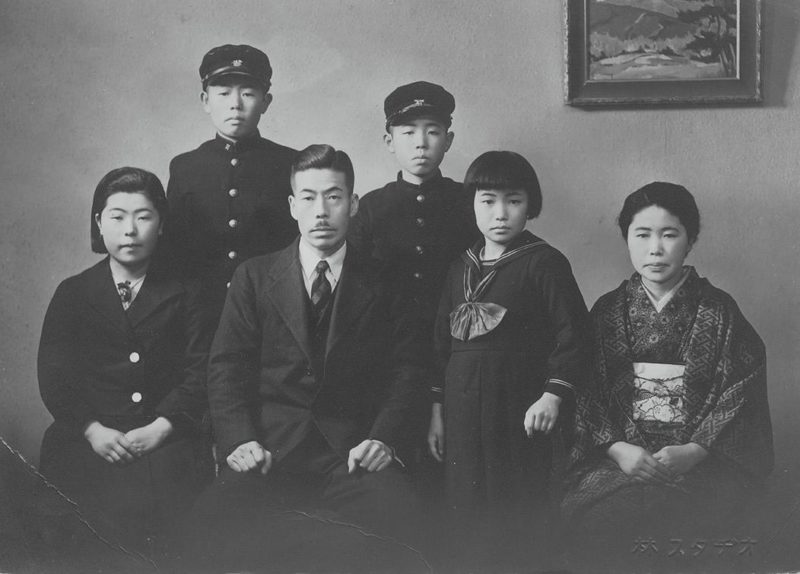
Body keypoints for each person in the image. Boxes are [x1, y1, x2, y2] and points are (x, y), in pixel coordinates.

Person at [185, 145, 428, 573]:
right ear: (292, 206)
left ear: (352, 204)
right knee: (207, 522)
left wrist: (383, 438)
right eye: (309, 198)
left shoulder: (385, 279)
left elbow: (407, 371)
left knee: (406, 517)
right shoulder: (254, 276)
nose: (321, 211)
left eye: (334, 197)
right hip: (270, 451)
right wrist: (239, 440)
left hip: (351, 454)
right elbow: (226, 368)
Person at [561, 182, 774, 561]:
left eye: (669, 235)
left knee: (702, 519)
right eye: (642, 235)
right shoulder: (607, 312)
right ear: (627, 238)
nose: (655, 249)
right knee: (601, 522)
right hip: (618, 464)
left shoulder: (720, 311)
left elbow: (743, 387)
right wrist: (618, 449)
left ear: (690, 240)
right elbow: (584, 389)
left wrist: (696, 449)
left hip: (700, 463)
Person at [36, 167, 214, 558]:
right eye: (117, 217)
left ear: (162, 224)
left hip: (168, 436)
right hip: (89, 438)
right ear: (99, 223)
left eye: (143, 216)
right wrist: (92, 429)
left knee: (179, 536)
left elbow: (201, 370)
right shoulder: (73, 292)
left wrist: (163, 427)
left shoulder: (190, 292)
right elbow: (54, 375)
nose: (130, 230)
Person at [428, 151, 592, 569]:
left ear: (530, 204)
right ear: (472, 204)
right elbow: (438, 347)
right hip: (462, 407)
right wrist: (436, 410)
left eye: (513, 200)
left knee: (516, 502)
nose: (500, 213)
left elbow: (574, 336)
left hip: (519, 407)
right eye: (488, 200)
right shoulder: (457, 267)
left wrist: (553, 395)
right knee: (465, 504)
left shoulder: (545, 262)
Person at [348, 81, 479, 458]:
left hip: (457, 351)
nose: (421, 143)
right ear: (389, 141)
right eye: (408, 133)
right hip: (389, 356)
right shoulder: (371, 209)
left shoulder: (468, 203)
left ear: (448, 141)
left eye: (433, 132)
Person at [164, 44, 298, 323]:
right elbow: (173, 250)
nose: (235, 104)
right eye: (223, 93)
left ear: (266, 101)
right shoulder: (185, 167)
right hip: (201, 314)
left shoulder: (290, 164)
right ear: (205, 100)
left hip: (271, 311)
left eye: (248, 93)